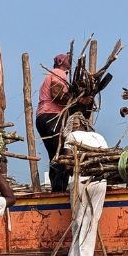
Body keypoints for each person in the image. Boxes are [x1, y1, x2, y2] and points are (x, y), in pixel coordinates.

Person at [62, 113, 109, 256]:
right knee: (91, 221)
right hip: (100, 181)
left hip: (80, 180)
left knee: (78, 220)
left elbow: (68, 162)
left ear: (74, 125)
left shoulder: (72, 136)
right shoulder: (99, 137)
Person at [36, 53, 72, 191]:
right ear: (61, 62)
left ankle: (56, 188)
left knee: (54, 155)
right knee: (62, 153)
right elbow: (56, 94)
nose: (70, 62)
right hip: (52, 116)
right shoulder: (58, 72)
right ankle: (59, 190)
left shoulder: (51, 74)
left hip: (42, 117)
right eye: (68, 60)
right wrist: (75, 98)